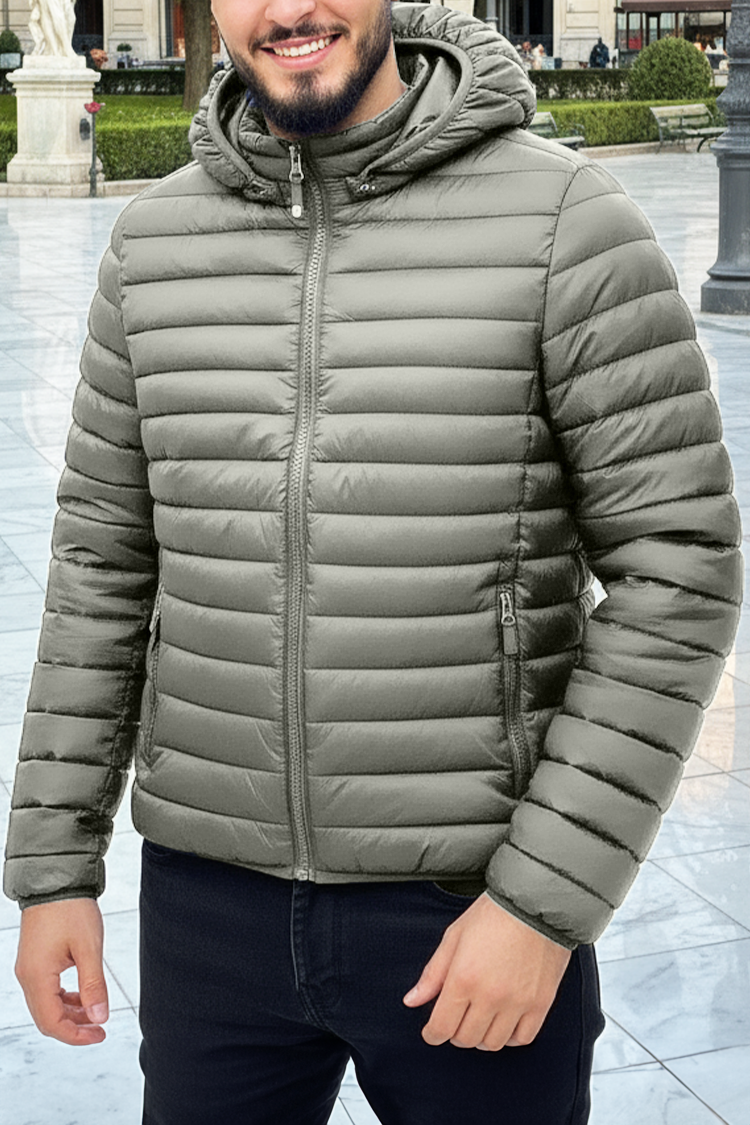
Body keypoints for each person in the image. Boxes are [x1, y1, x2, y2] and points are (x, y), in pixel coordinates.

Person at [4, 2, 742, 1124]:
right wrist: (53, 868)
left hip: (469, 907)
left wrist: (542, 904)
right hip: (209, 911)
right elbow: (101, 566)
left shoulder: (568, 221)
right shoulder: (152, 245)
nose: (289, 9)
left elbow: (677, 569)